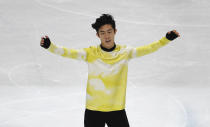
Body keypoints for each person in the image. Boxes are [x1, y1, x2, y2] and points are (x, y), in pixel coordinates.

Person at [40, 14, 180, 127]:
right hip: (93, 110)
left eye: (109, 32)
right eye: (102, 33)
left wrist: (165, 39)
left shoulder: (125, 52)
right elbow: (68, 52)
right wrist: (50, 46)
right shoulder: (91, 53)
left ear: (115, 32)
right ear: (97, 35)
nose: (107, 36)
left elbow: (148, 48)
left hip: (116, 110)